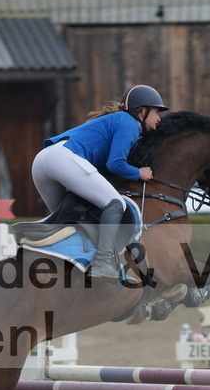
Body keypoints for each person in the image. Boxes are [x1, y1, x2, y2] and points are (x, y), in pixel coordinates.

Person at [32, 84, 168, 280]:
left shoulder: (118, 120)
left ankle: (67, 268)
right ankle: (102, 263)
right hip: (62, 159)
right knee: (115, 203)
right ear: (143, 111)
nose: (159, 119)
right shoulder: (131, 123)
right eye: (156, 112)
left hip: (42, 161)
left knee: (68, 219)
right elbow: (115, 164)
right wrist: (139, 173)